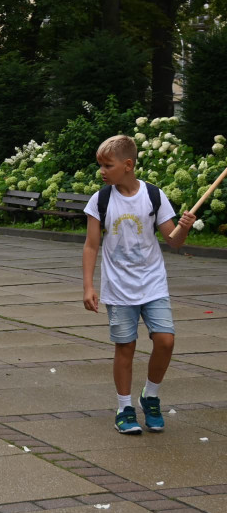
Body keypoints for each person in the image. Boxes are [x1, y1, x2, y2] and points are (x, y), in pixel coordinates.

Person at [82, 134, 195, 434]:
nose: (102, 171)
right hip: (119, 288)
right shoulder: (101, 200)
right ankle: (124, 407)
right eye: (100, 166)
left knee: (166, 341)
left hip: (153, 283)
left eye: (107, 165)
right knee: (125, 347)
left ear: (128, 165)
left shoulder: (154, 196)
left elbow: (172, 242)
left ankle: (151, 396)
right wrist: (88, 287)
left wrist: (183, 229)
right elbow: (91, 246)